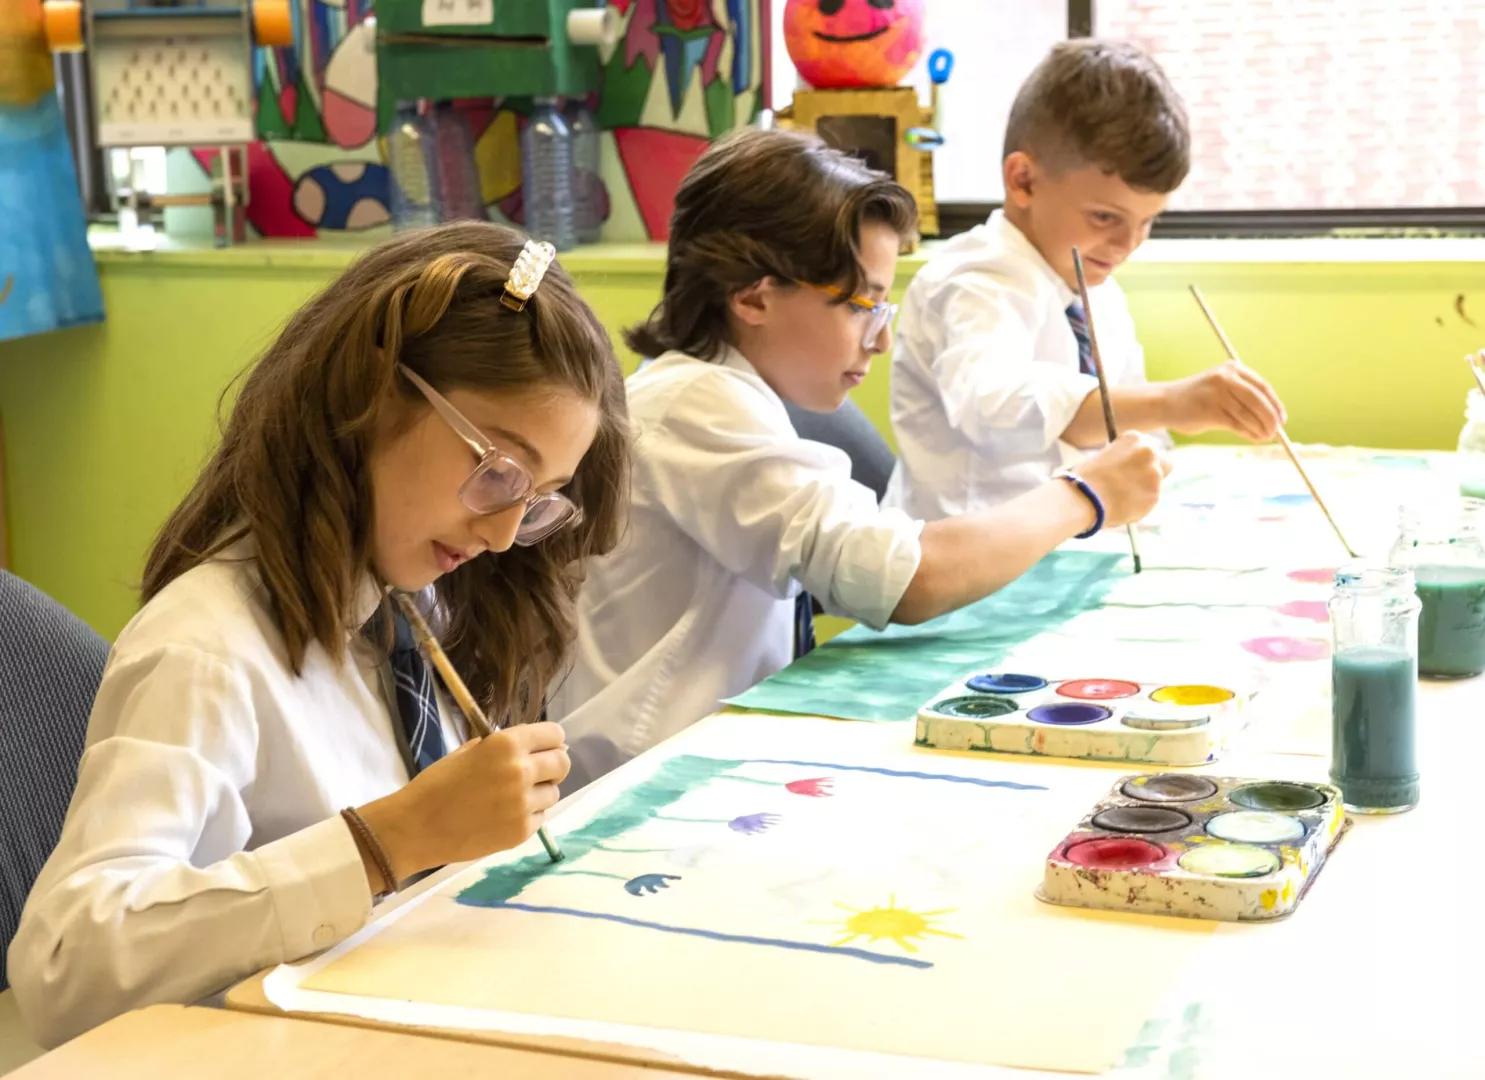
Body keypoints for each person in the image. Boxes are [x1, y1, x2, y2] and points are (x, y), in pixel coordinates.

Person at [8, 223, 628, 1047]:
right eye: (498, 472)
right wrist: (386, 843)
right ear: (372, 393)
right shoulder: (205, 651)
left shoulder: (411, 608)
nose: (504, 531)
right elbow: (65, 967)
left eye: (538, 498)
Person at [548, 127, 1170, 791]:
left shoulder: (726, 394)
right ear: (753, 296)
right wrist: (1083, 495)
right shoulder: (694, 408)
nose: (882, 340)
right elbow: (906, 580)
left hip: (699, 757)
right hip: (634, 782)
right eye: (862, 305)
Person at [884, 39, 1287, 520]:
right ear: (1023, 180)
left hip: (1073, 541)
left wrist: (1153, 453)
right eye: (1104, 217)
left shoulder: (1095, 289)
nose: (1128, 244)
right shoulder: (974, 281)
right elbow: (998, 409)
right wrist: (1171, 401)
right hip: (969, 550)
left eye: (1147, 222)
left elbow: (1131, 426)